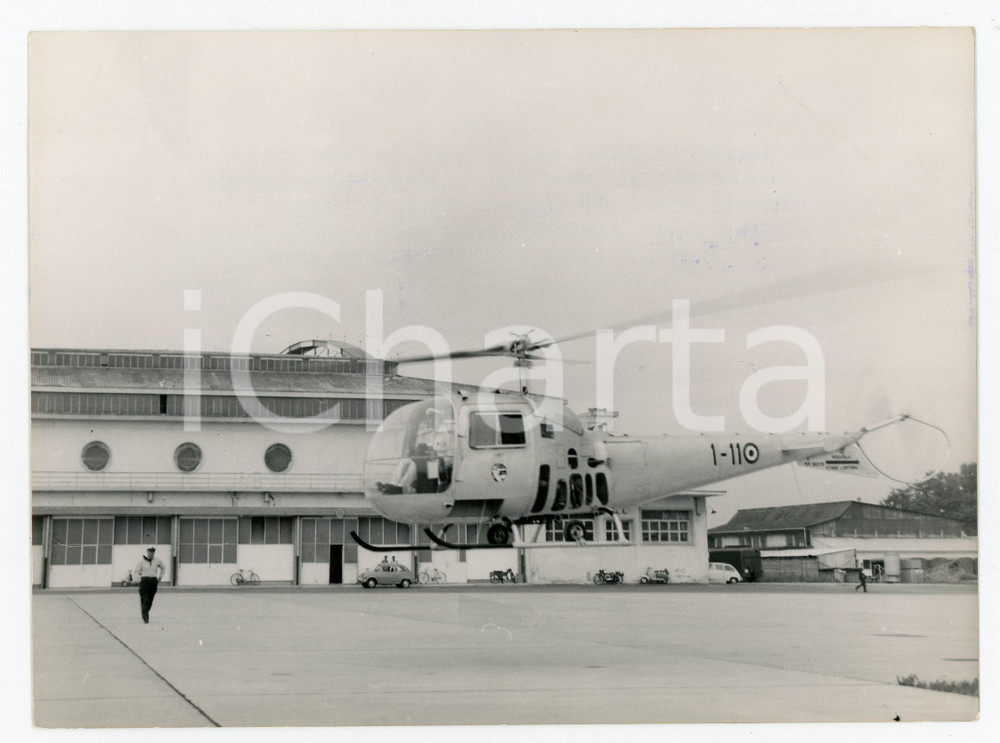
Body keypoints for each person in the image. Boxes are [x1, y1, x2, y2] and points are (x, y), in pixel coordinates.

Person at [134, 546, 165, 623]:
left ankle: (145, 612)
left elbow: (163, 567)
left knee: (150, 600)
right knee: (145, 599)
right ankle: (145, 616)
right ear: (147, 552)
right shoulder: (142, 562)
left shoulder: (157, 561)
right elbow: (137, 570)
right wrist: (138, 579)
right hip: (145, 581)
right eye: (150, 552)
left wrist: (160, 577)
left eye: (153, 552)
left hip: (153, 582)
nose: (151, 553)